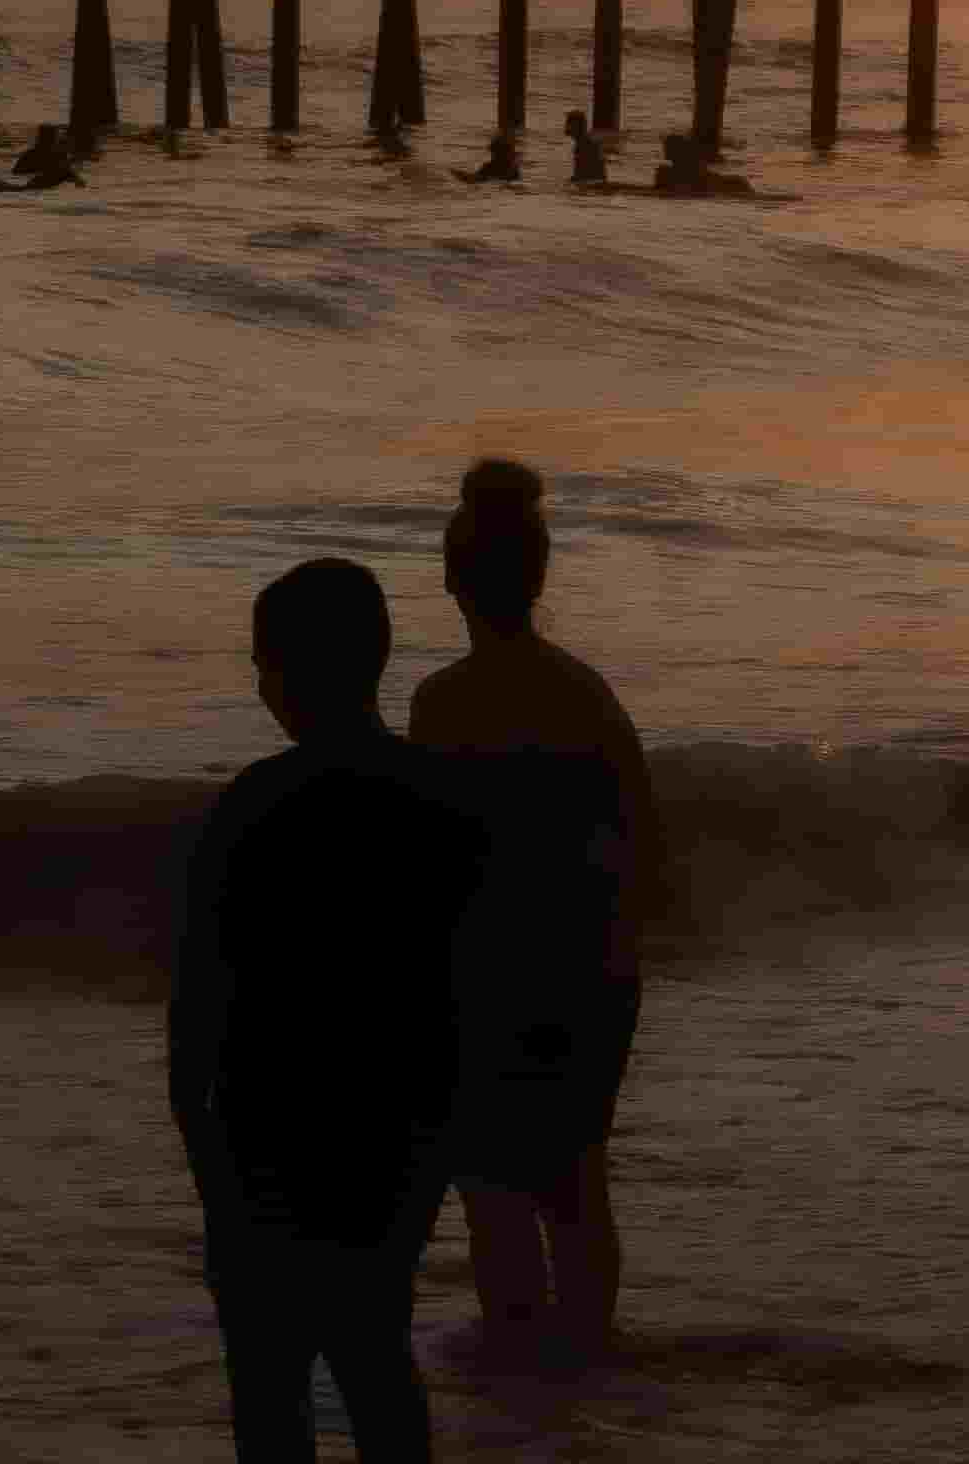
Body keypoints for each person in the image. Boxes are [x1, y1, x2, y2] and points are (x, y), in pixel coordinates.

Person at [175, 558, 487, 1464]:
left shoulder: (250, 807)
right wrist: (439, 1148)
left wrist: (206, 1159)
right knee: (378, 1363)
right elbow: (464, 1000)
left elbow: (198, 1010)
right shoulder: (445, 810)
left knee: (269, 1395)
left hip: (261, 1150)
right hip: (392, 1151)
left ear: (284, 673)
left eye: (261, 663)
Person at [409, 458, 663, 1376]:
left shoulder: (439, 704)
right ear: (541, 576)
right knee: (576, 1185)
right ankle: (586, 1367)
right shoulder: (587, 695)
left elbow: (428, 869)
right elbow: (644, 839)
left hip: (485, 981)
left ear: (449, 579)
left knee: (491, 1191)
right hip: (592, 974)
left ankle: (519, 1379)